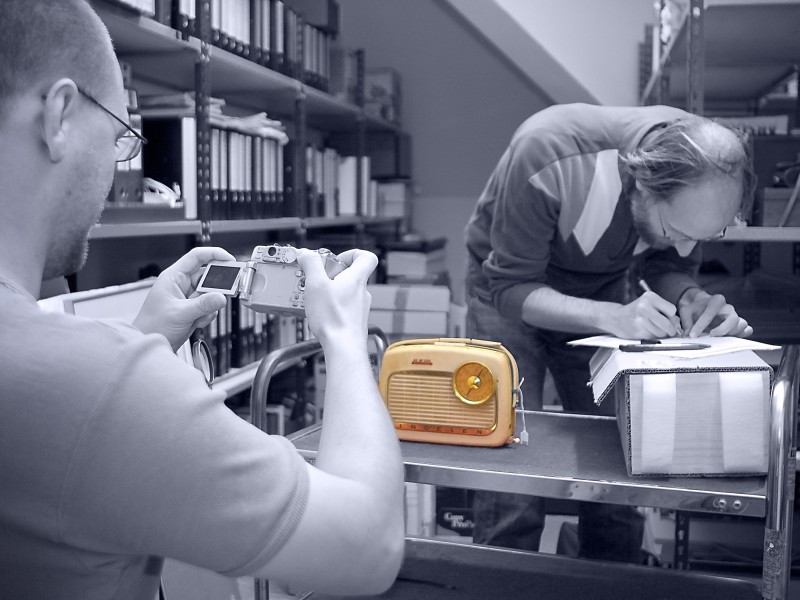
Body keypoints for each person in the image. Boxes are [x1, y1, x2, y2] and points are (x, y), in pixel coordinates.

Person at [0, 1, 404, 598]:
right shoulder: (96, 385)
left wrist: (142, 343)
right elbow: (368, 546)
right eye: (119, 137)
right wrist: (344, 340)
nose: (118, 169)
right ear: (59, 115)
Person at [464, 103, 755, 562]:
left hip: (597, 288)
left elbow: (669, 261)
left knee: (617, 464)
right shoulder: (547, 153)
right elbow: (509, 288)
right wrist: (611, 317)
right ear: (641, 185)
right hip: (508, 296)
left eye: (703, 236)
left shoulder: (701, 158)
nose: (687, 246)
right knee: (511, 473)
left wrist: (690, 296)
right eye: (676, 229)